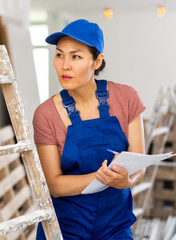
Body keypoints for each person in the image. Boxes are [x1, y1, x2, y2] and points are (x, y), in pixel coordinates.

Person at [33, 19, 146, 240]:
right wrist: (101, 178)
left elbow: (139, 163)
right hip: (65, 228)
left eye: (76, 56)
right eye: (59, 54)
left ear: (97, 61)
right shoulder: (46, 114)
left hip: (115, 225)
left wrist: (128, 180)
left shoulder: (128, 98)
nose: (65, 65)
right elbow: (55, 184)